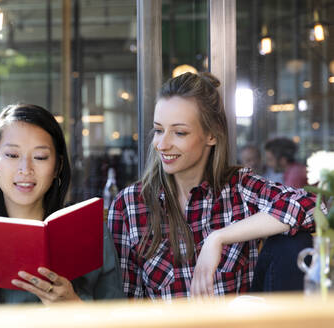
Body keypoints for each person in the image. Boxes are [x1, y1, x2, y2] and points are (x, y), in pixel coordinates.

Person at [107, 72, 319, 299]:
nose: (162, 144)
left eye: (179, 132)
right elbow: (127, 305)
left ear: (211, 135)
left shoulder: (240, 188)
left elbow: (316, 206)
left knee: (293, 241)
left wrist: (218, 238)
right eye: (159, 130)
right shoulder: (129, 205)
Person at [0, 104, 124, 310]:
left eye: (40, 157)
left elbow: (118, 317)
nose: (25, 169)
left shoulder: (89, 230)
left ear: (57, 166)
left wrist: (73, 307)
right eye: (12, 156)